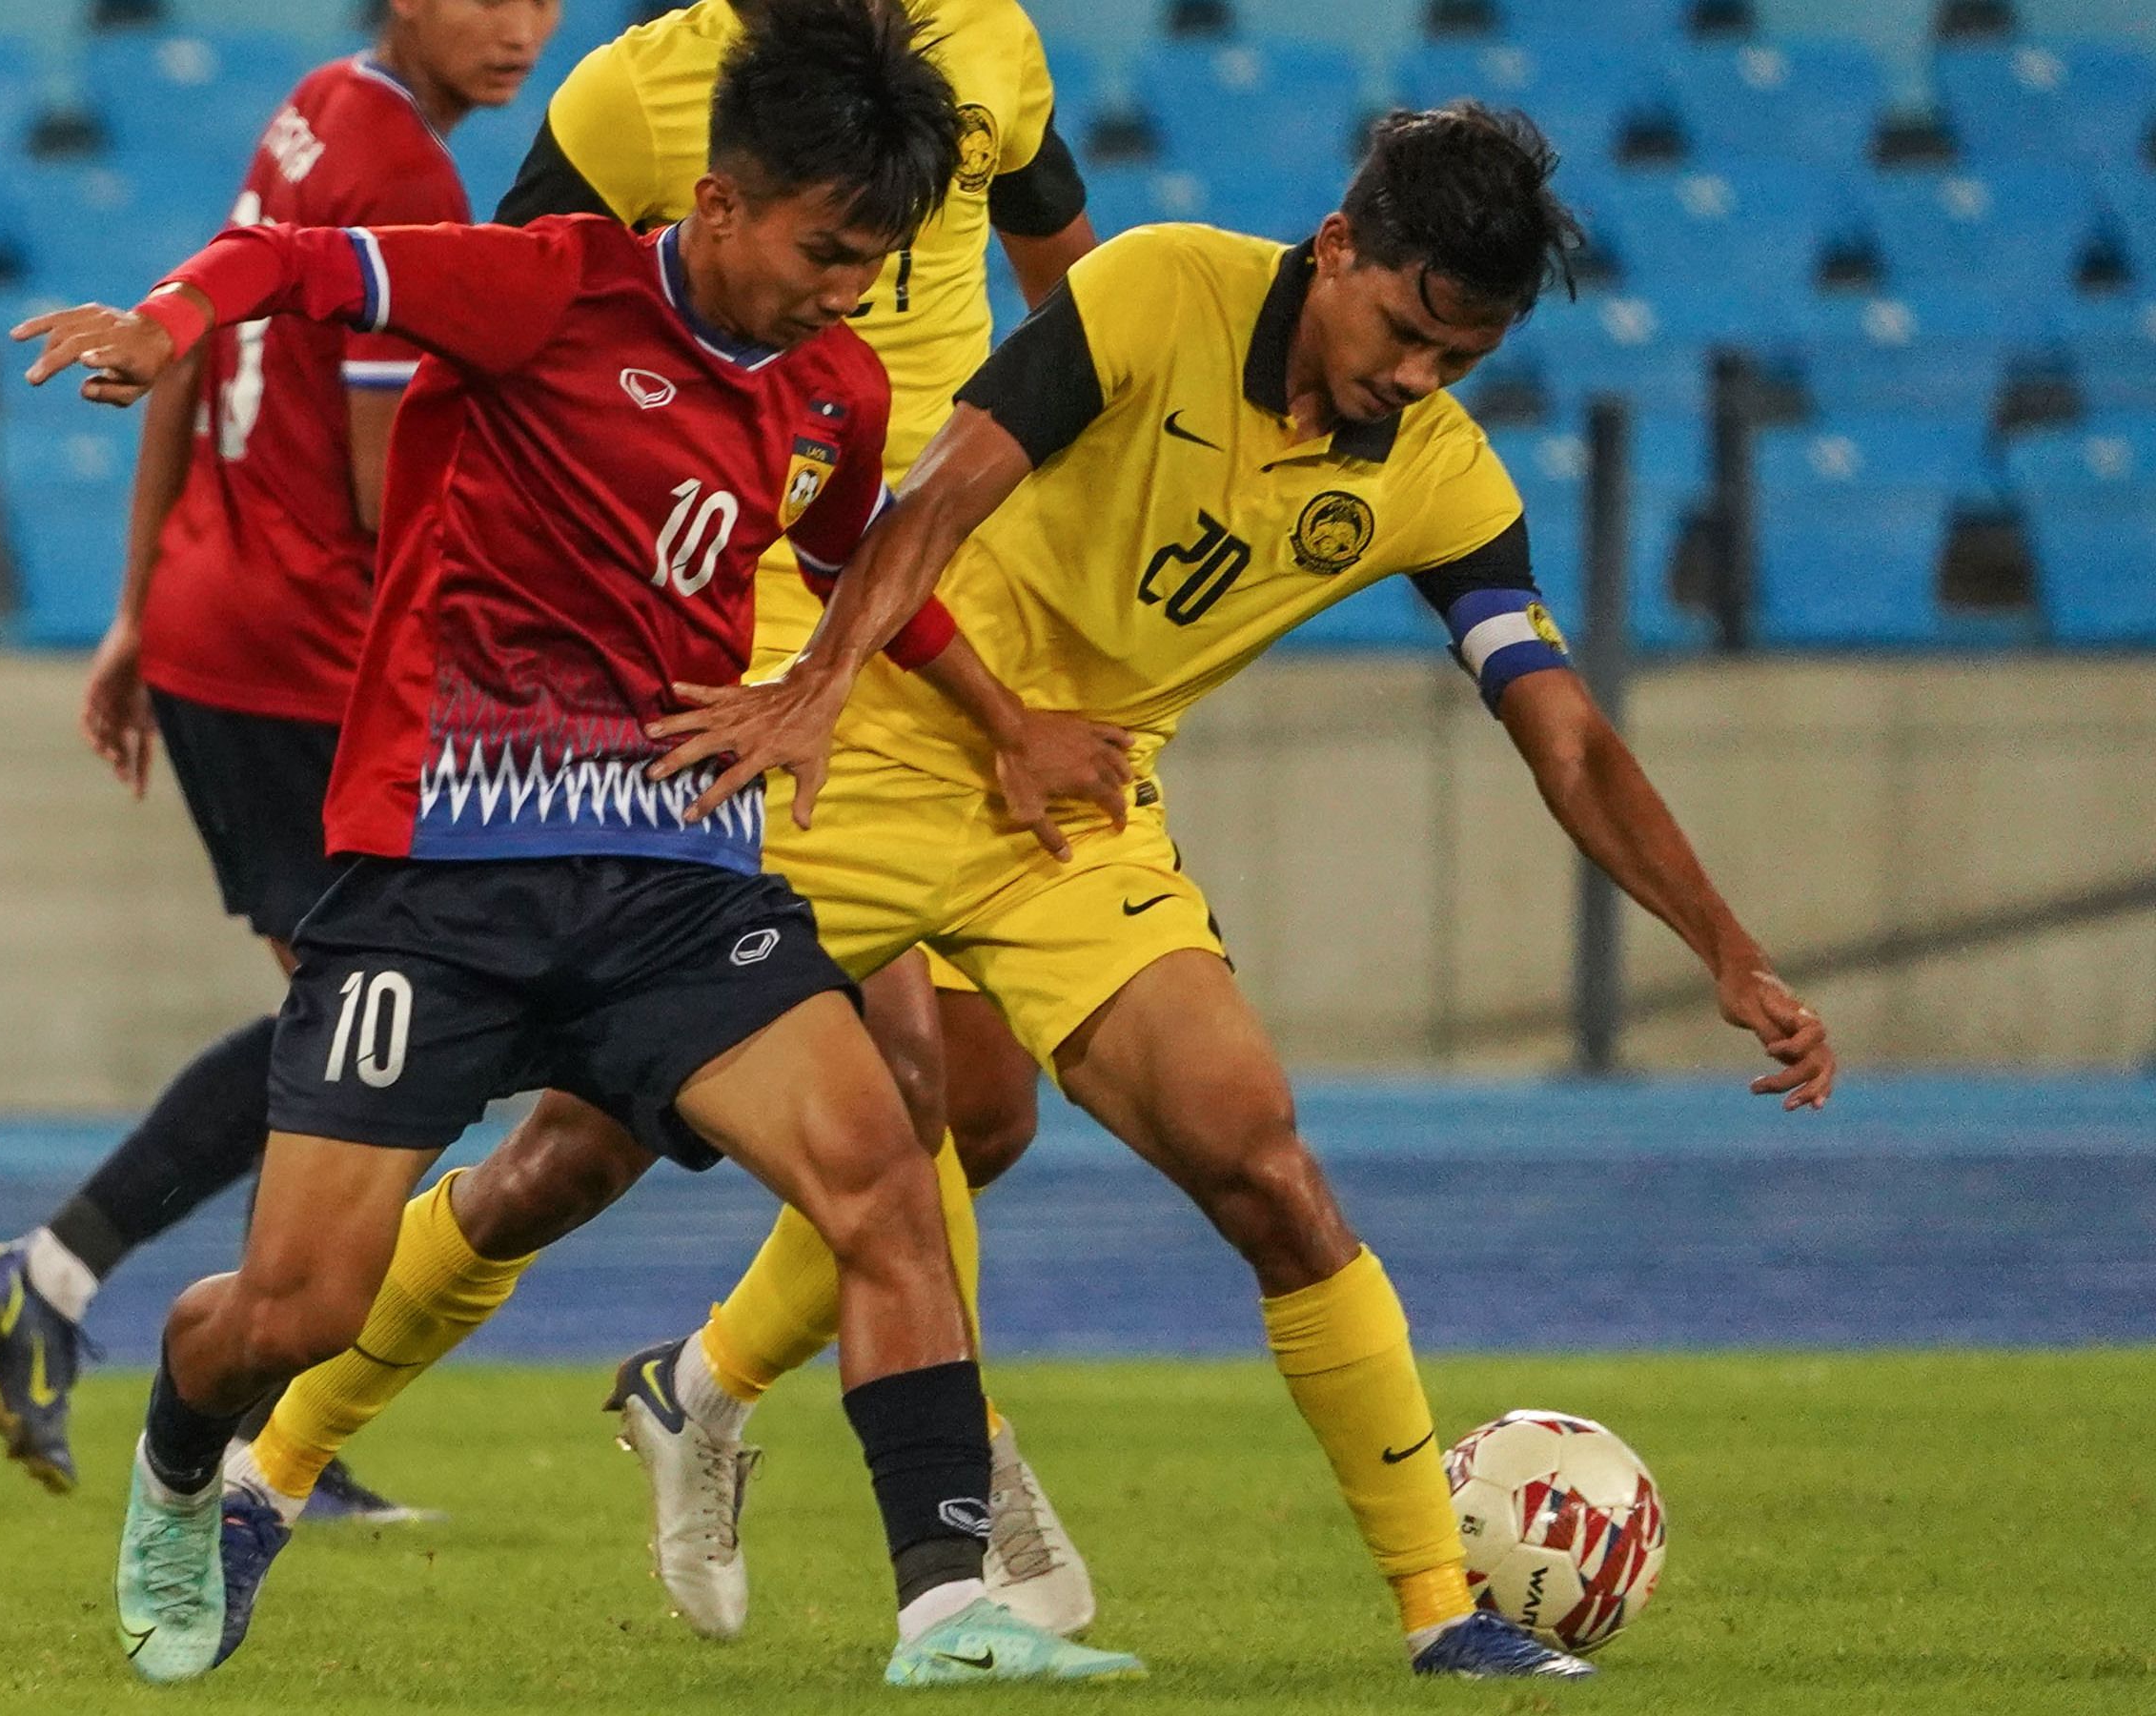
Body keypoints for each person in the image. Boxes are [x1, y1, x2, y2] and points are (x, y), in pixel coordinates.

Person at [225, 103, 1843, 1682]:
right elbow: (932, 498)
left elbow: (1564, 735)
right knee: (569, 1161)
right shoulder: (1160, 287)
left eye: (1459, 361)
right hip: (867, 745)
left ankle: (1442, 1614)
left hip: (1069, 811)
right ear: (1340, 245)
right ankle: (273, 1466)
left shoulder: (1439, 477)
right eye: (1409, 333)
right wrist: (815, 689)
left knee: (1263, 1165)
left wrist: (1726, 949)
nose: (1417, 379)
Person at [13, 0, 1138, 1687]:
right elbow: (293, 262)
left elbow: (861, 575)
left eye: (876, 264)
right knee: (298, 1309)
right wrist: (166, 326)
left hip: (671, 880)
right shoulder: (542, 286)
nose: (849, 294)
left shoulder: (831, 389)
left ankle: (946, 1611)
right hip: (440, 878)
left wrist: (996, 718)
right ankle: (187, 1458)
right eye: (825, 252)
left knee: (886, 1184)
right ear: (719, 201)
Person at [0, 0, 556, 1513]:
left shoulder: (318, 107)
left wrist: (138, 603)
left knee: (350, 1032)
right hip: (306, 658)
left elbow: (189, 340)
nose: (523, 26)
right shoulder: (405, 174)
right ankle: (191, 1375)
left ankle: (102, 1307)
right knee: (390, 1047)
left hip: (221, 622)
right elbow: (388, 488)